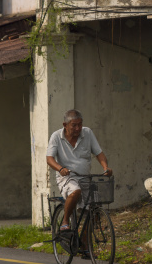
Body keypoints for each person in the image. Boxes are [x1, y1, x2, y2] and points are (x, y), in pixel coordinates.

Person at [46, 109, 112, 255]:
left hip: (85, 177)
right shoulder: (56, 136)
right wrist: (60, 168)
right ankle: (65, 222)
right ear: (65, 124)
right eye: (74, 125)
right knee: (75, 191)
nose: (77, 129)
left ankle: (84, 242)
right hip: (67, 177)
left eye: (79, 125)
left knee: (94, 209)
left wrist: (106, 167)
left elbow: (99, 153)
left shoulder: (87, 133)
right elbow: (49, 158)